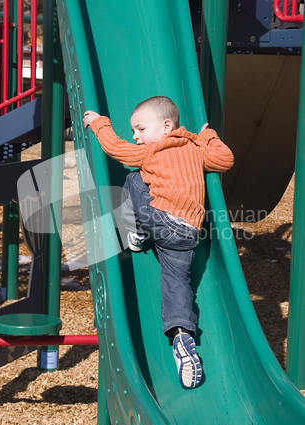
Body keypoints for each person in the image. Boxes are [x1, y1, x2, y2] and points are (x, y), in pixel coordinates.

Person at [83, 96, 234, 389]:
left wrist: (97, 123)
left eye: (140, 129)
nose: (135, 137)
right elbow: (225, 159)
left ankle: (137, 230)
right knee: (177, 283)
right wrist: (207, 136)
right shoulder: (195, 150)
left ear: (166, 127)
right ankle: (182, 337)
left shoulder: (152, 150)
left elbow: (117, 149)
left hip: (160, 222)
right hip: (189, 232)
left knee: (134, 180)